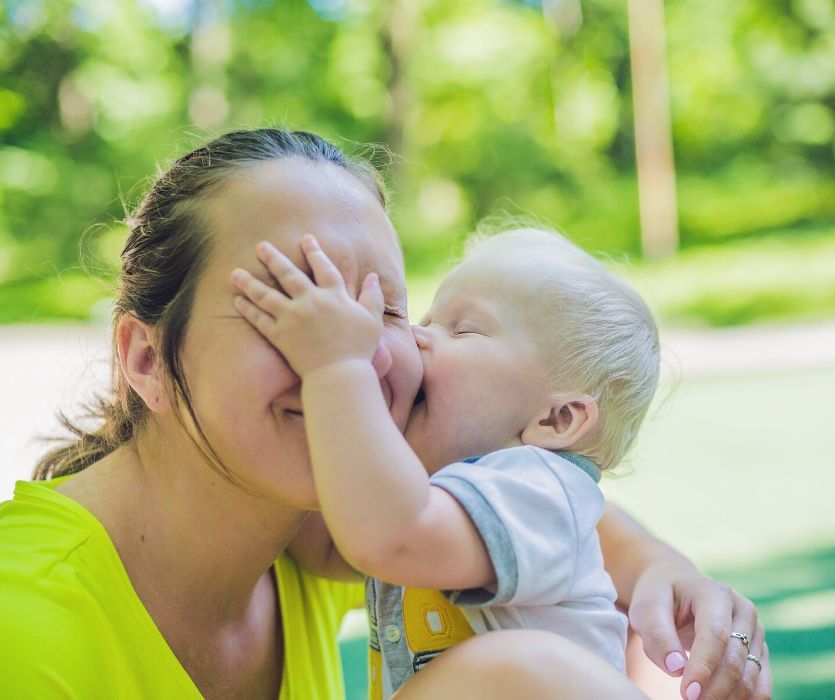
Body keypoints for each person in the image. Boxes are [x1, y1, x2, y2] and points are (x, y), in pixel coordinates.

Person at [0, 128, 770, 700]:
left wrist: (662, 575)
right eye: (294, 302)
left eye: (387, 308)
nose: (356, 350)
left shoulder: (309, 525)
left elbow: (543, 510)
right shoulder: (22, 626)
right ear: (144, 360)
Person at [230, 225, 660, 697]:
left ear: (557, 419)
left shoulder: (540, 490)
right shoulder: (433, 494)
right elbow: (325, 546)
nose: (416, 336)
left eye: (464, 329)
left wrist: (336, 367)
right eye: (427, 319)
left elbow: (391, 538)